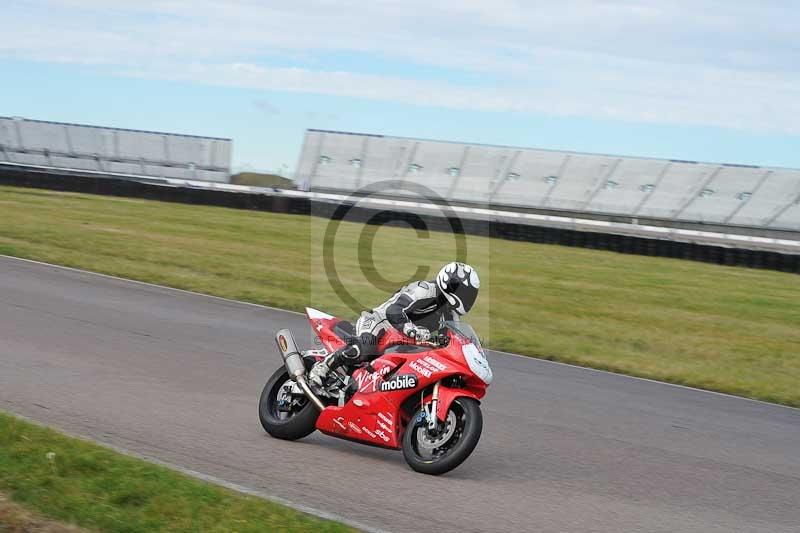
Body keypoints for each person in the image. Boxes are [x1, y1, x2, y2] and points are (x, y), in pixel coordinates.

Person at [309, 262, 480, 388]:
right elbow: (393, 310)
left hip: (404, 340)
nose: (467, 297)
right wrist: (410, 328)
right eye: (465, 292)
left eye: (470, 294)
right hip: (380, 322)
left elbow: (451, 339)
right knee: (366, 348)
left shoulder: (450, 313)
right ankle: (323, 367)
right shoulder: (425, 289)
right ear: (451, 286)